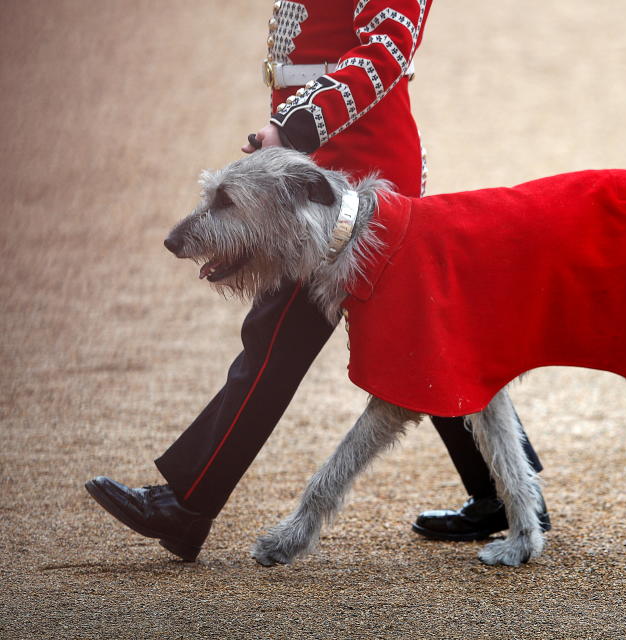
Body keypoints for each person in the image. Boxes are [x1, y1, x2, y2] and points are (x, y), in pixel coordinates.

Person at [85, 0, 548, 562]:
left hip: (346, 173)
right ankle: (503, 493)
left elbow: (385, 48)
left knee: (276, 338)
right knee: (427, 334)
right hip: (308, 159)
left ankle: (186, 504)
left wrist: (294, 125)